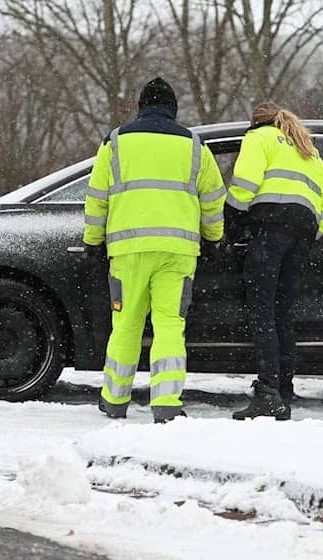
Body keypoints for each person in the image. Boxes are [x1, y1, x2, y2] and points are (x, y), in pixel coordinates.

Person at [83, 77, 226, 423]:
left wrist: (92, 242)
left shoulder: (115, 142)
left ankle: (114, 400)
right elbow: (213, 198)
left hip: (128, 250)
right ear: (173, 110)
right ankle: (166, 404)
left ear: (141, 107)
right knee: (169, 327)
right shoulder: (194, 145)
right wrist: (214, 238)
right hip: (177, 252)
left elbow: (96, 197)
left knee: (127, 325)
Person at [228, 102, 323, 420]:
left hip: (269, 230)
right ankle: (284, 389)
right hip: (300, 235)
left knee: (262, 314)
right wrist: (314, 232)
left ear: (256, 123)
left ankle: (267, 393)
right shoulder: (308, 149)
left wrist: (231, 221)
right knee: (282, 314)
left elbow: (244, 185)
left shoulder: (258, 138)